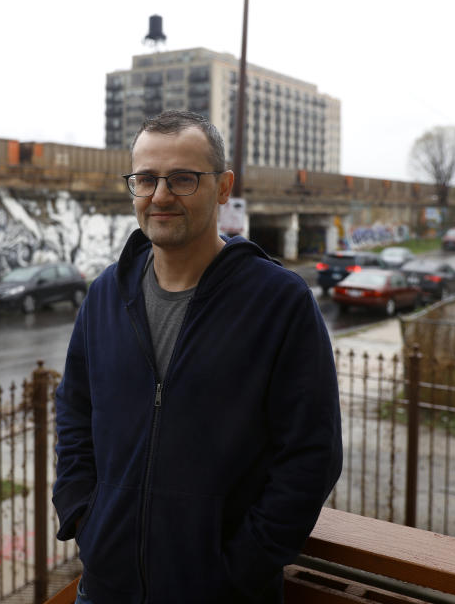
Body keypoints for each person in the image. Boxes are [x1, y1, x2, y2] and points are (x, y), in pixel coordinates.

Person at [53, 110, 342, 603]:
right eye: (145, 179)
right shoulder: (105, 294)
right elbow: (75, 412)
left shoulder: (279, 302)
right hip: (106, 588)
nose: (160, 196)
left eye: (182, 179)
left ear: (223, 186)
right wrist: (84, 514)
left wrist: (239, 567)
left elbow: (311, 455)